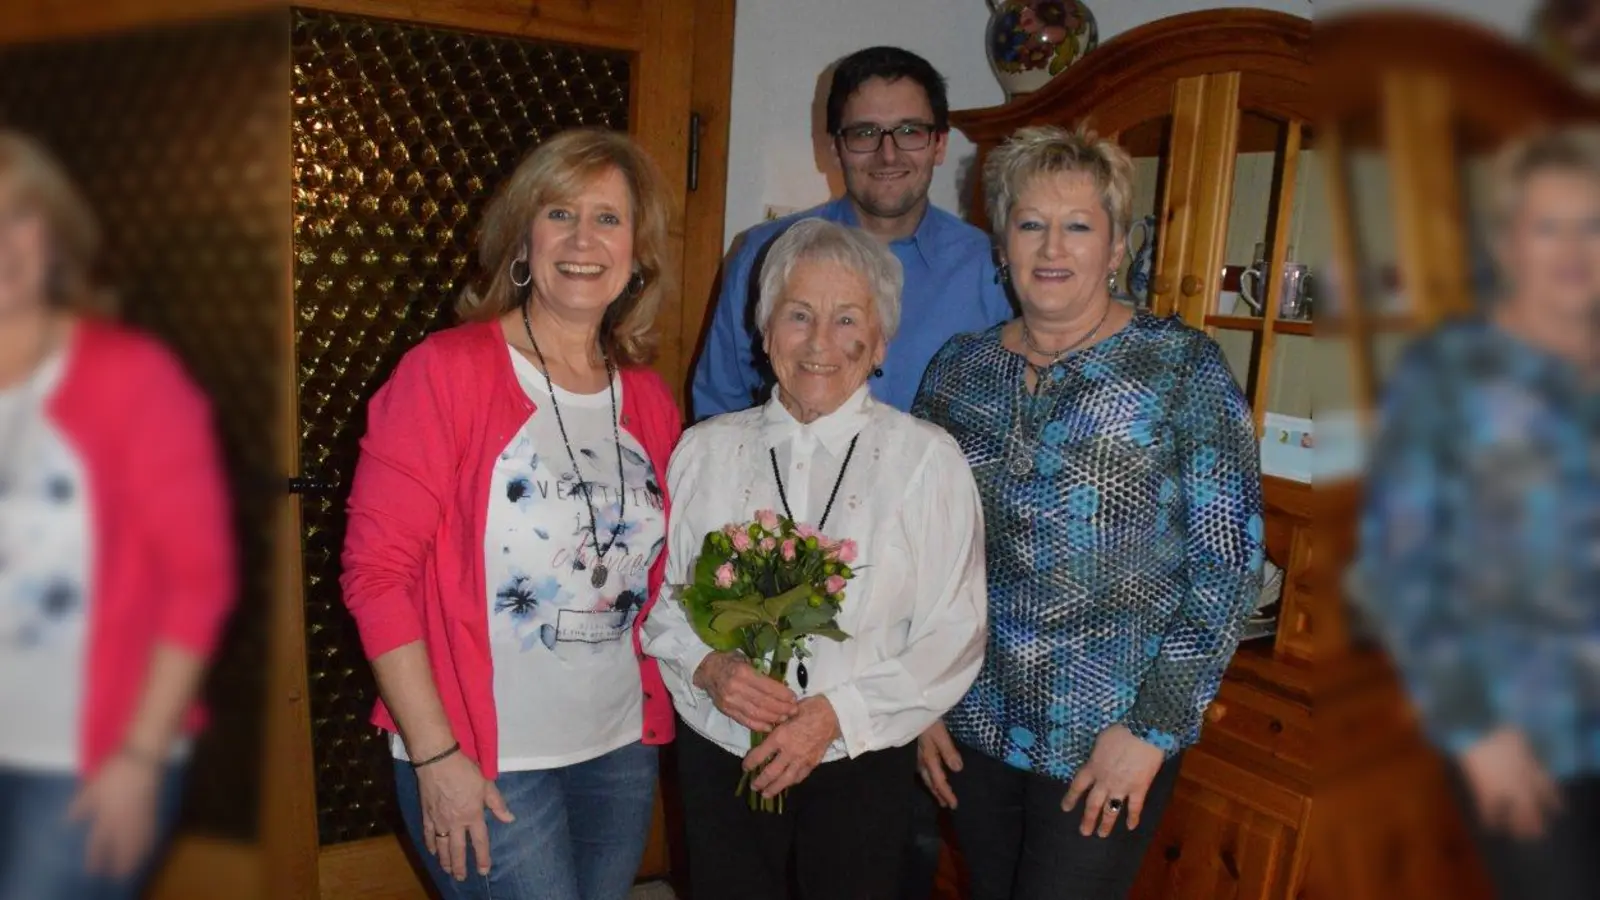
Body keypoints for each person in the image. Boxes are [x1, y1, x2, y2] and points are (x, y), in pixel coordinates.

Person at [911, 125, 1265, 900]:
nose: (1052, 247)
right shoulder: (959, 371)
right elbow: (920, 552)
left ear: (1116, 247)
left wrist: (1151, 731)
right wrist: (920, 702)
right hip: (972, 723)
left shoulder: (1181, 368)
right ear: (1001, 244)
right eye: (1030, 223)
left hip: (1109, 736)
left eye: (1078, 225)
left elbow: (1229, 567)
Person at [340, 129, 683, 900]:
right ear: (524, 240)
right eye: (560, 213)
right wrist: (434, 757)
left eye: (608, 218)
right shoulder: (445, 373)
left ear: (636, 253)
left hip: (618, 745)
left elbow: (661, 580)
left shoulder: (648, 397)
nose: (583, 239)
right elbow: (375, 577)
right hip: (482, 756)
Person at [644, 218, 988, 900]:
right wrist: (709, 667)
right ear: (766, 331)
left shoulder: (927, 461)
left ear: (880, 341)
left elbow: (955, 632)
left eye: (847, 319)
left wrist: (838, 713)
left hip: (861, 758)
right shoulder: (704, 452)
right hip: (723, 746)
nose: (819, 342)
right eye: (798, 315)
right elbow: (659, 600)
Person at [1351, 126, 1600, 900]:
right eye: (1548, 226)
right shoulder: (1449, 373)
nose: (1573, 249)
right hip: (1526, 730)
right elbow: (1400, 567)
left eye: (1591, 225)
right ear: (1506, 242)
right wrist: (1478, 735)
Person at [0, 131, 236, 899]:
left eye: (17, 215)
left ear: (53, 236)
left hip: (87, 758)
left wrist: (139, 758)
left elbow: (199, 581)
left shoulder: (131, 377)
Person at [691, 45, 1012, 419]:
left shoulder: (991, 270)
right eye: (865, 133)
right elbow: (719, 410)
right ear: (835, 147)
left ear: (939, 144)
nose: (888, 154)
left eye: (910, 131)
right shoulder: (762, 254)